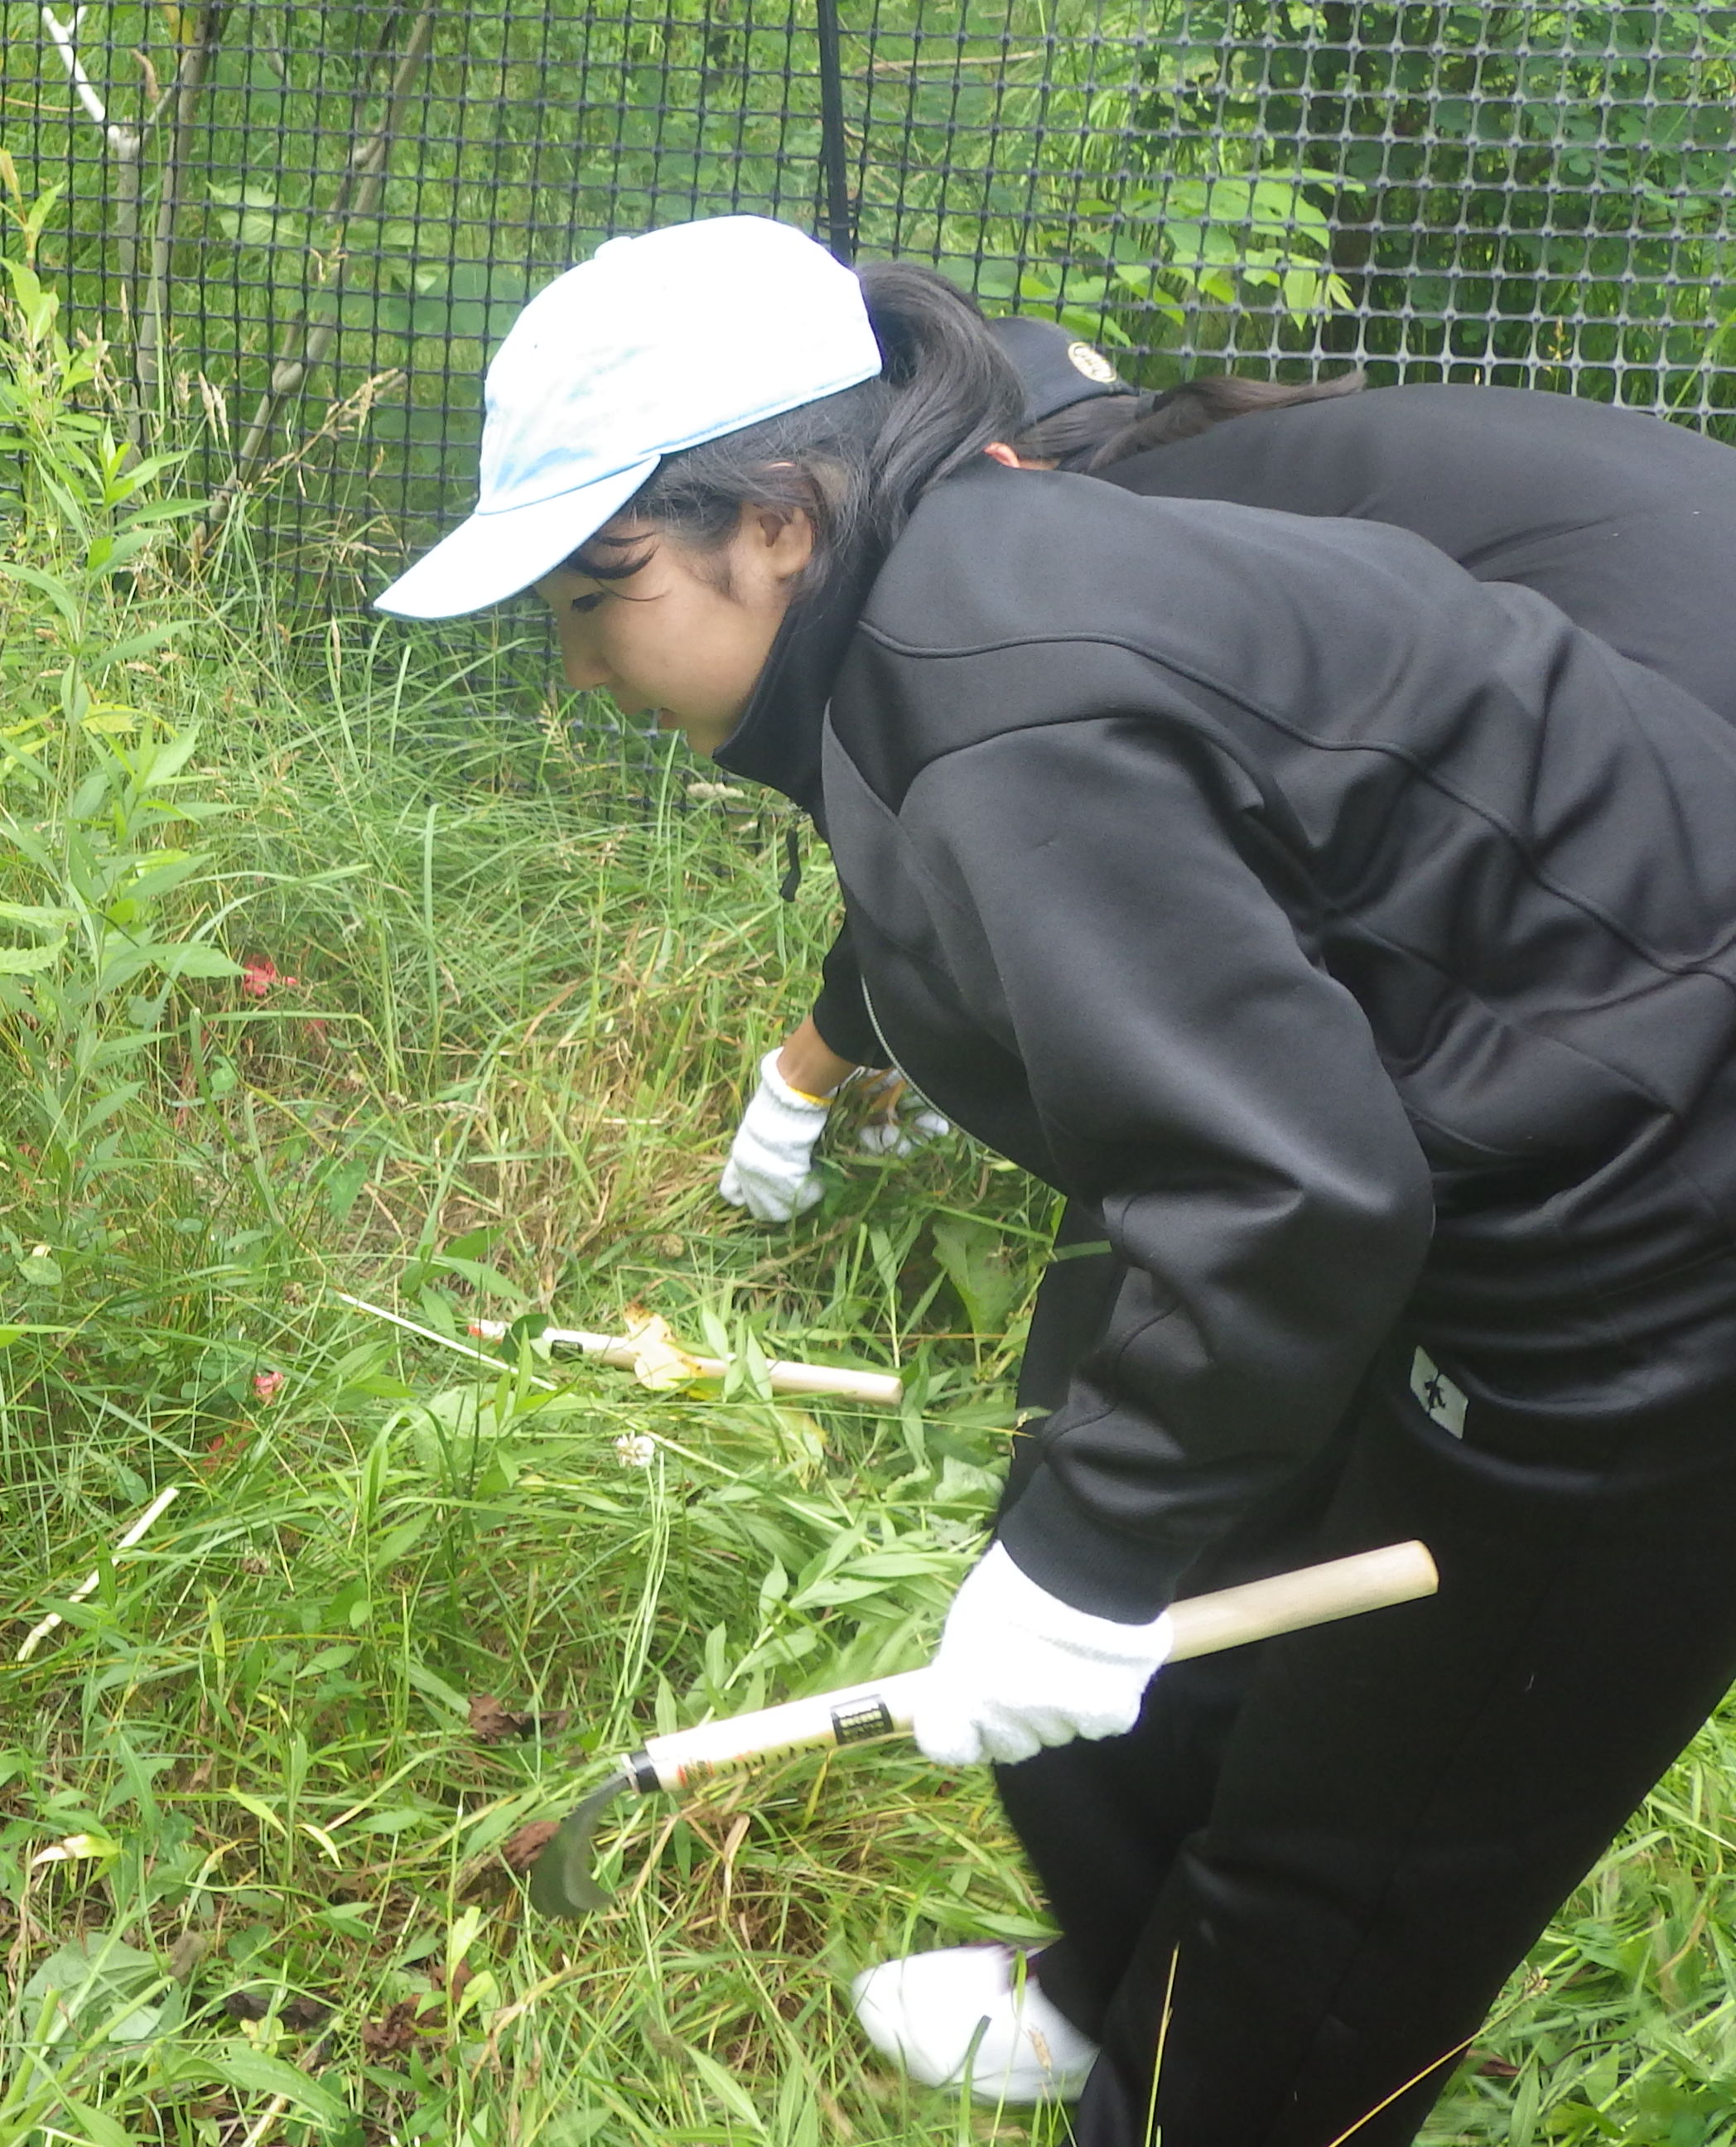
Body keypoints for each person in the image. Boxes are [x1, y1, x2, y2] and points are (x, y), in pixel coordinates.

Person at [379, 215, 1736, 2145]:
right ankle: (1123, 1995)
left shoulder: (1000, 681)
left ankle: (1220, 2069)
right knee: (1101, 1508)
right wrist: (1092, 1533)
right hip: (1449, 1131)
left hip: (1654, 1246)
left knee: (1359, 1843)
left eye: (592, 597)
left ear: (775, 520)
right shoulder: (936, 613)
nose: (578, 668)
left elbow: (1292, 1196)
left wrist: (1091, 1562)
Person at [718, 321, 1736, 1222]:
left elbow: (1007, 852)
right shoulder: (1251, 475)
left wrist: (808, 1072)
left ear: (1003, 469)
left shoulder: (1093, 564)